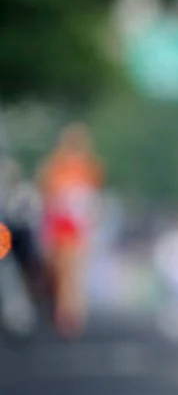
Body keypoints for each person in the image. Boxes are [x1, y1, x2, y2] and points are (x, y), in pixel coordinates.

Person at [37, 124, 105, 339]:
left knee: (73, 270)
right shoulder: (55, 166)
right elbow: (46, 195)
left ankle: (70, 314)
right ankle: (63, 310)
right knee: (60, 269)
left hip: (76, 225)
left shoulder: (89, 167)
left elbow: (93, 198)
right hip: (59, 223)